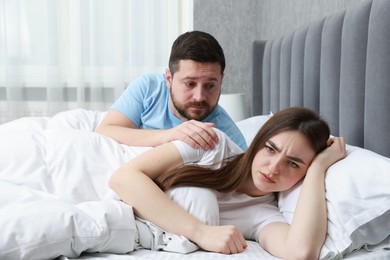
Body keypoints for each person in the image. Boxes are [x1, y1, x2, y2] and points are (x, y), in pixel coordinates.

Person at [109, 107, 346, 259]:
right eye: (270, 149)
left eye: (293, 164)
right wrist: (200, 232)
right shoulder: (213, 144)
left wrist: (318, 169)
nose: (274, 168)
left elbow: (301, 252)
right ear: (258, 141)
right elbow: (123, 177)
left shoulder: (263, 215)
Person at [95, 30, 247, 151]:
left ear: (221, 81)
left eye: (210, 86)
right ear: (169, 79)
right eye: (190, 84)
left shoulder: (229, 136)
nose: (199, 96)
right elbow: (105, 130)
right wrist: (170, 135)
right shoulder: (149, 87)